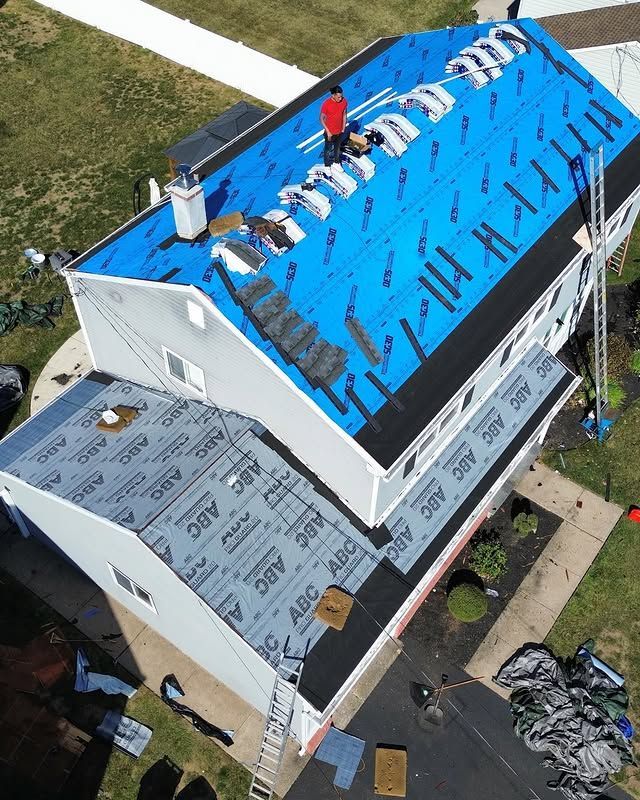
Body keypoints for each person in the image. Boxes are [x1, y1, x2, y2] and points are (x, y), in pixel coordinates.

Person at [320, 85, 347, 173]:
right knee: (328, 149)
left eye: (341, 96)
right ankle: (327, 165)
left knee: (337, 148)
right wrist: (328, 132)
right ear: (333, 95)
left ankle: (336, 162)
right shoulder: (326, 104)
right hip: (330, 132)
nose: (340, 99)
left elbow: (344, 114)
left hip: (339, 131)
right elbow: (321, 118)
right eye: (338, 97)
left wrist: (343, 128)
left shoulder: (344, 101)